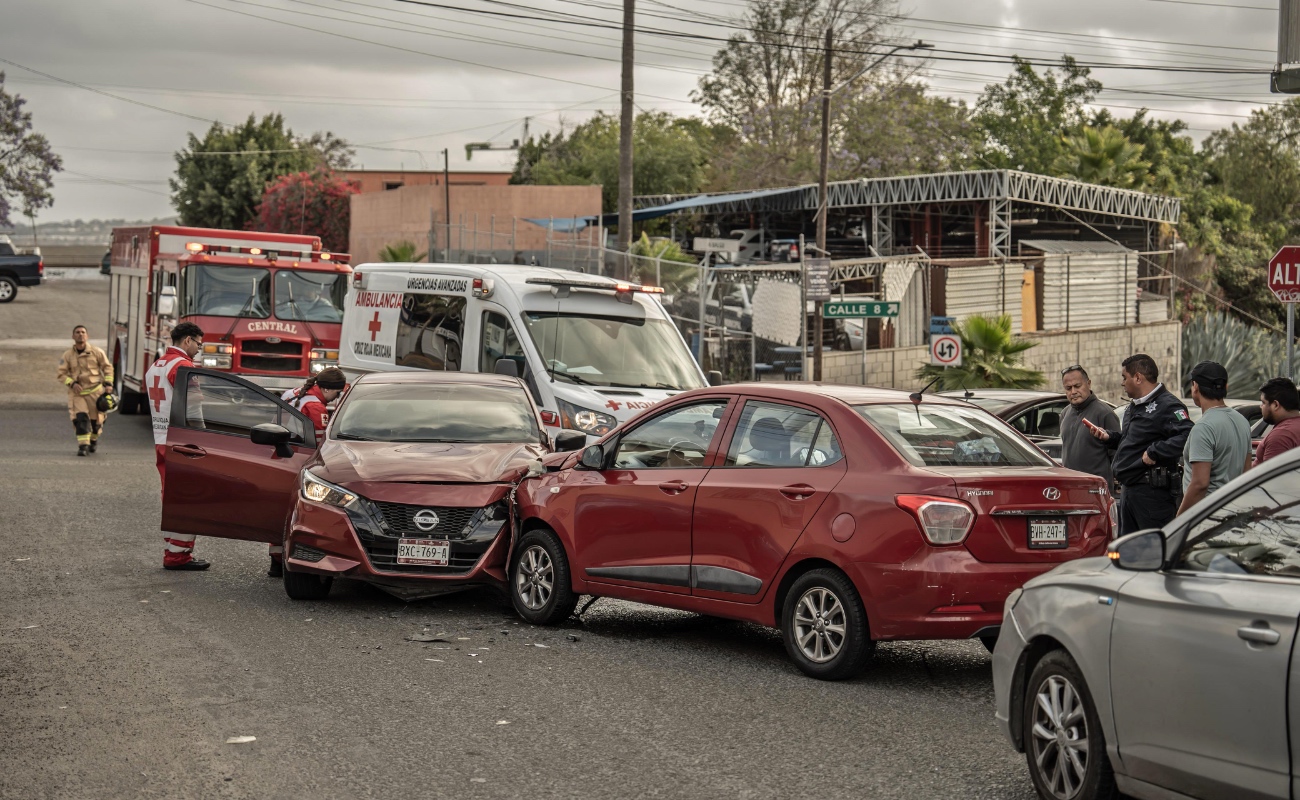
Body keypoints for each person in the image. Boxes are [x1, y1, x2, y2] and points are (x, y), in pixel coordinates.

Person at [1085, 353, 1194, 535]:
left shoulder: (1168, 405)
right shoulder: (1134, 406)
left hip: (1152, 494)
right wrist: (1109, 438)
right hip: (1130, 491)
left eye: (1124, 377)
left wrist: (1155, 452)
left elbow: (1188, 435)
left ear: (1137, 378)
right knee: (1129, 551)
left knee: (1153, 550)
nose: (1122, 383)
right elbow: (1134, 442)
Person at [266, 367, 348, 577]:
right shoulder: (315, 407)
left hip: (276, 455)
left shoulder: (292, 393)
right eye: (337, 394)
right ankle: (284, 561)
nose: (335, 399)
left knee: (278, 511)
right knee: (296, 512)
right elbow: (322, 446)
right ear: (328, 389)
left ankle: (275, 561)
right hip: (297, 461)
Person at [144, 321, 209, 571]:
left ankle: (174, 550)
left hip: (162, 440)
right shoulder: (183, 367)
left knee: (171, 497)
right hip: (183, 442)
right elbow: (193, 408)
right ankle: (178, 556)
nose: (199, 350)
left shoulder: (157, 365)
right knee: (187, 498)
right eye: (198, 344)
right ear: (187, 341)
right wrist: (204, 438)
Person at [1175, 361, 1252, 516]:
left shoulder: (1203, 428)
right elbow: (1246, 473)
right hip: (1234, 513)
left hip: (1207, 516)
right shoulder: (1242, 421)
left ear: (1195, 387)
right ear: (1226, 387)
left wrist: (1180, 520)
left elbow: (1200, 484)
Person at [1058, 365, 1120, 487]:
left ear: (1089, 384)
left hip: (1096, 490)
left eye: (1077, 386)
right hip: (1070, 487)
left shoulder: (1105, 413)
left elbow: (1117, 455)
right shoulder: (1065, 413)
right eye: (1068, 388)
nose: (1073, 392)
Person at [57, 325, 113, 456]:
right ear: (73, 336)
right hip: (77, 394)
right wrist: (72, 383)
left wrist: (109, 384)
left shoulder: (97, 352)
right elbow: (61, 374)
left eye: (83, 332)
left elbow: (107, 368)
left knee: (96, 422)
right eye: (77, 332)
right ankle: (83, 446)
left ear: (87, 336)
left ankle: (93, 440)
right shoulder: (67, 355)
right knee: (81, 419)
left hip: (95, 392)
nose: (80, 334)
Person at [1254, 377, 1300, 466]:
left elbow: (1271, 477)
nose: (1261, 407)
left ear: (1275, 405)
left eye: (1263, 403)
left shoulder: (1281, 435)